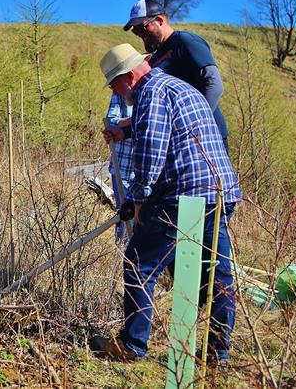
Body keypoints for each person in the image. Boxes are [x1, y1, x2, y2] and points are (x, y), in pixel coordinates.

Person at [91, 44, 242, 364]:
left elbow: (153, 154)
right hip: (218, 191)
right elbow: (173, 131)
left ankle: (131, 346)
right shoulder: (176, 86)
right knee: (217, 275)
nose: (116, 92)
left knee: (139, 263)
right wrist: (123, 132)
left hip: (182, 195)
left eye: (114, 84)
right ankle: (217, 352)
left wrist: (135, 199)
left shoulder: (149, 94)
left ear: (128, 77)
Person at [123, 0, 229, 149]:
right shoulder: (154, 60)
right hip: (181, 143)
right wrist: (124, 131)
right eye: (136, 31)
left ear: (159, 20)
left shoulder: (186, 42)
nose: (140, 34)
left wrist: (192, 124)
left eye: (142, 28)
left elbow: (214, 84)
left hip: (208, 136)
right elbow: (154, 110)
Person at [105, 93, 134, 242]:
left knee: (139, 217)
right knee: (123, 214)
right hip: (121, 166)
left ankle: (134, 255)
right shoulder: (119, 95)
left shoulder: (150, 95)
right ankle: (121, 253)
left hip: (141, 170)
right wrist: (134, 119)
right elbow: (110, 120)